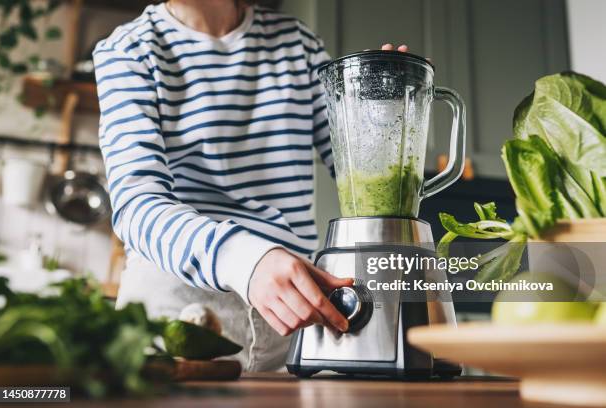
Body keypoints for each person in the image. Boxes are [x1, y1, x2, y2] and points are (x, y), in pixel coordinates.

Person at [94, 0, 409, 370]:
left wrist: (379, 108)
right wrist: (244, 260)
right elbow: (136, 204)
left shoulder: (299, 45)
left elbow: (354, 164)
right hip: (176, 314)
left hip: (293, 318)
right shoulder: (128, 51)